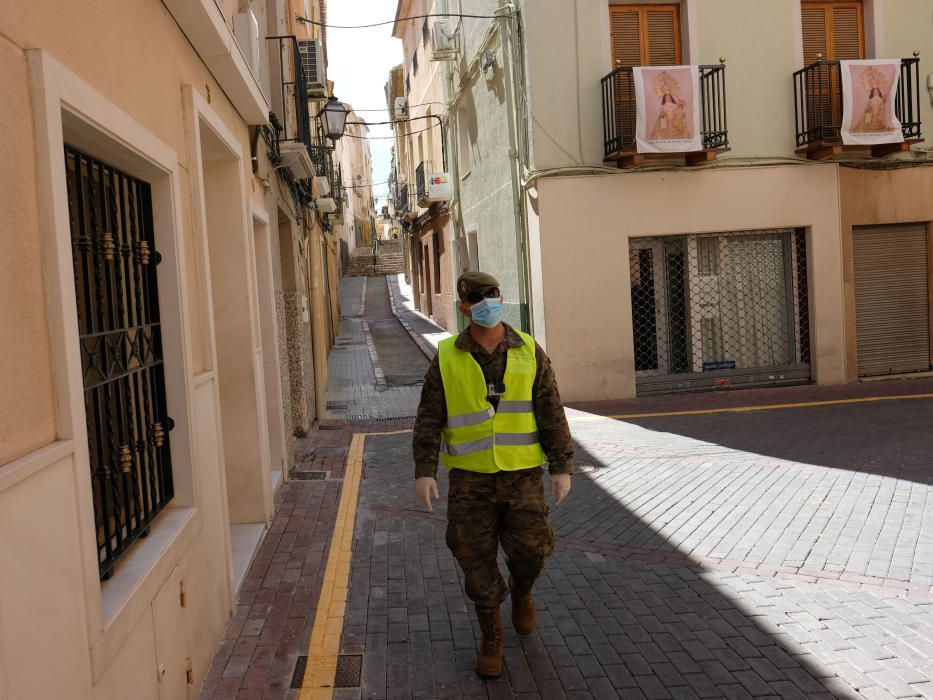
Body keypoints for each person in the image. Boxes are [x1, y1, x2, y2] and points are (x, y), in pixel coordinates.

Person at [412, 271, 574, 678]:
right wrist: (424, 471)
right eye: (478, 297)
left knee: (531, 553)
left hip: (522, 477)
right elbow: (430, 417)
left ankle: (522, 591)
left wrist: (561, 465)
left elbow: (551, 410)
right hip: (470, 480)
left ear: (501, 296)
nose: (487, 301)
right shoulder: (448, 355)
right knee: (473, 558)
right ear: (465, 307)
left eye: (493, 293)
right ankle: (491, 634)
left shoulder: (528, 351)